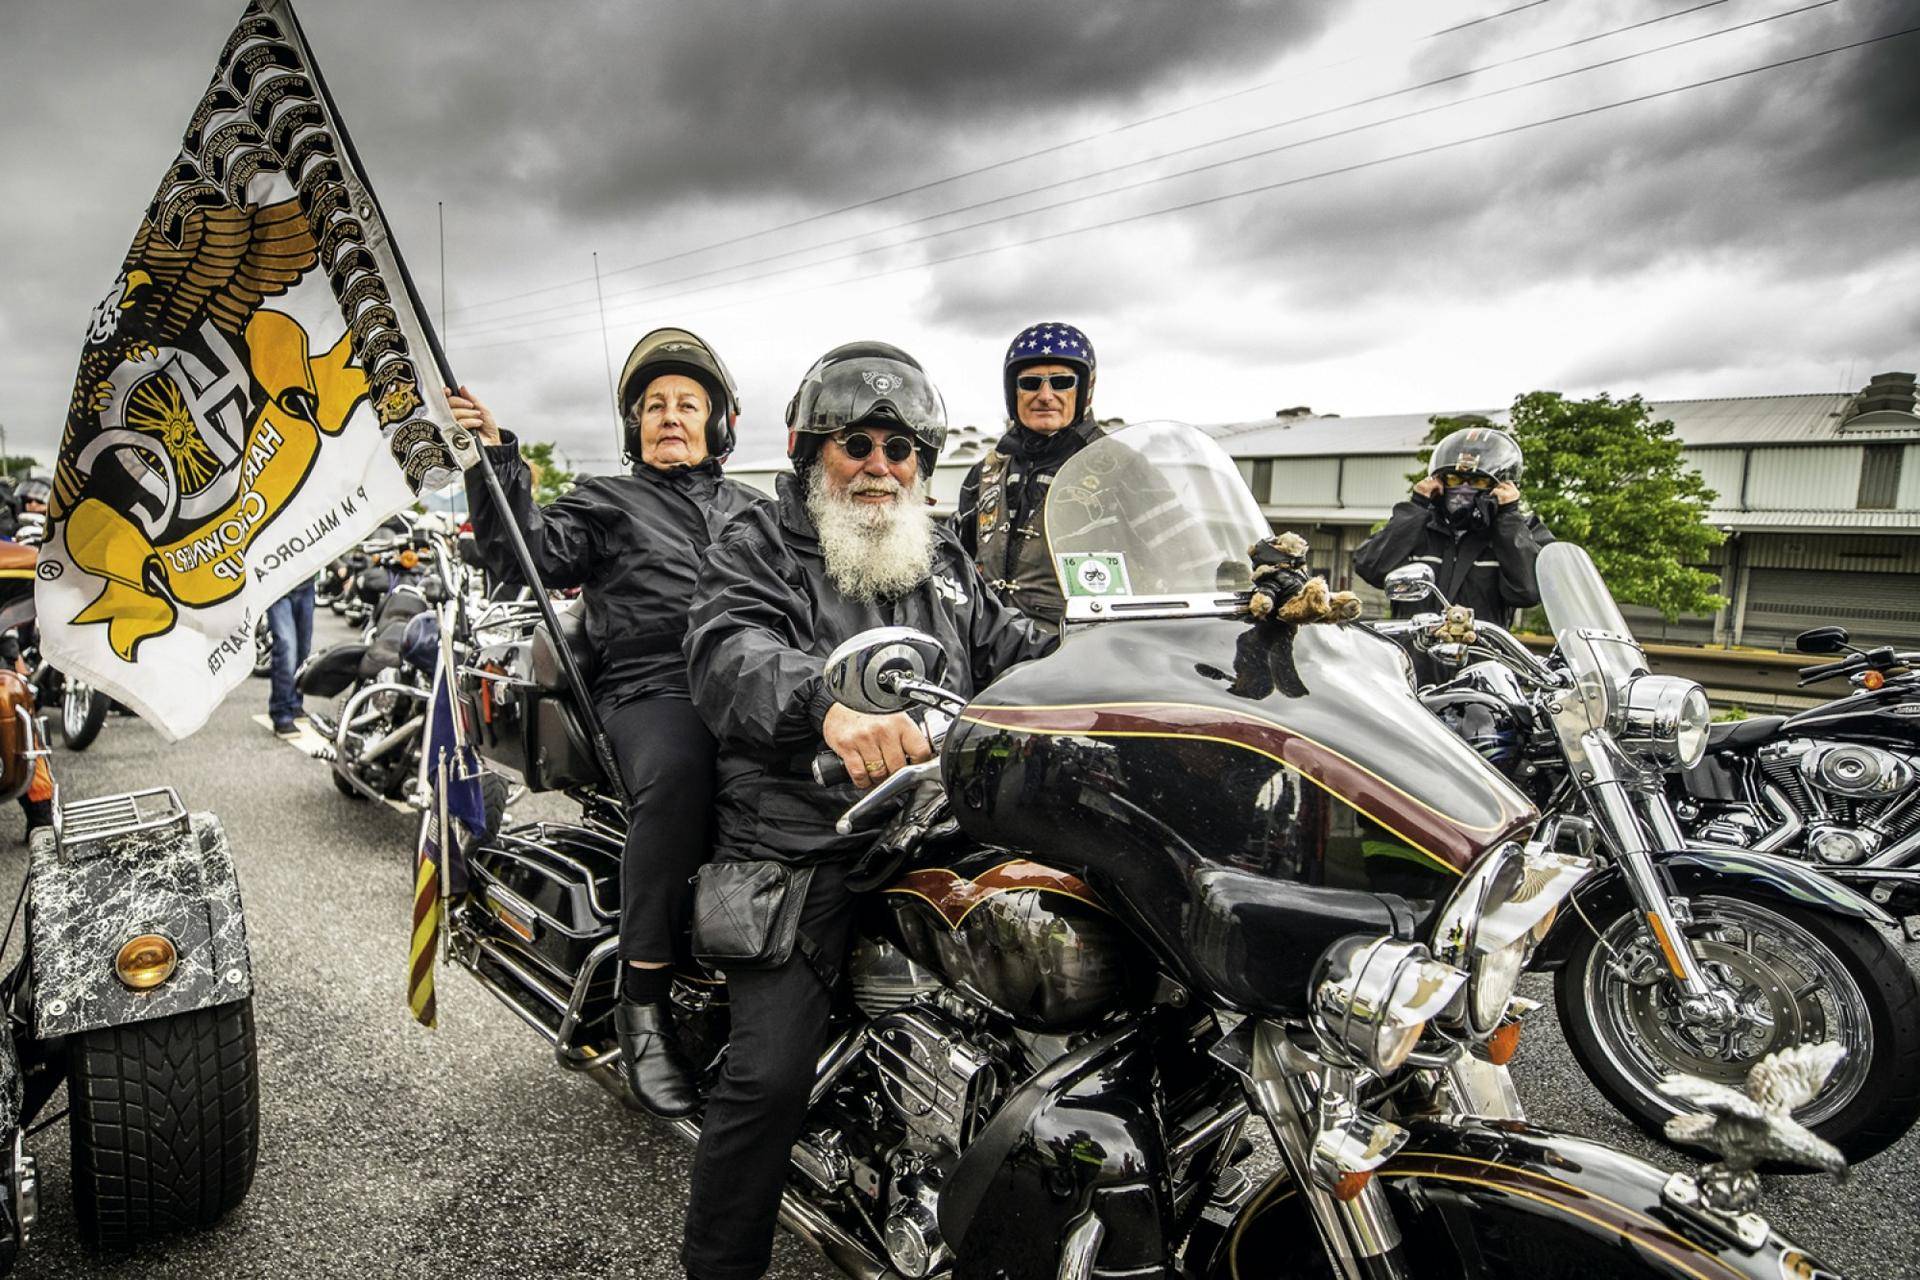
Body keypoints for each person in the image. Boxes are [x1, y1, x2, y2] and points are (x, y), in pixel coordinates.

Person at [680, 341, 1053, 1280]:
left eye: (900, 448)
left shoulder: (946, 559)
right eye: (857, 444)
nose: (879, 466)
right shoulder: (760, 542)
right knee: (765, 1081)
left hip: (940, 826)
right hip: (804, 836)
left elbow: (1018, 649)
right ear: (814, 454)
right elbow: (728, 649)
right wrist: (825, 703)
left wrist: (1142, 648)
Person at [446, 327, 766, 1118]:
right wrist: (497, 458)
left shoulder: (760, 508)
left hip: (757, 682)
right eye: (654, 405)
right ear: (634, 427)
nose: (670, 416)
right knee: (686, 773)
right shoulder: (606, 500)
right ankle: (643, 1000)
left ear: (720, 423)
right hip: (653, 688)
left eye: (688, 404)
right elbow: (525, 554)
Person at [952, 321, 1105, 629]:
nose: (1045, 395)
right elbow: (955, 562)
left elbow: (1174, 565)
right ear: (1013, 392)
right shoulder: (985, 473)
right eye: (1031, 383)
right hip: (989, 653)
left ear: (1085, 390)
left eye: (1061, 382)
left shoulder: (1120, 467)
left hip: (1081, 651)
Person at [1352, 421, 1554, 626]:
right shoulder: (1418, 525)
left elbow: (1528, 592)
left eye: (1477, 481)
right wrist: (1417, 505)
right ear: (1439, 481)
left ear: (1499, 485)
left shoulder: (1520, 531)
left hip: (1481, 655)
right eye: (1454, 479)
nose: (1464, 489)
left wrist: (1508, 518)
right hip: (1411, 654)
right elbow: (1370, 567)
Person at [265, 578, 315, 735]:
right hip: (277, 587)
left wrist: (339, 567)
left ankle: (294, 704)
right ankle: (282, 713)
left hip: (306, 584)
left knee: (303, 649)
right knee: (287, 647)